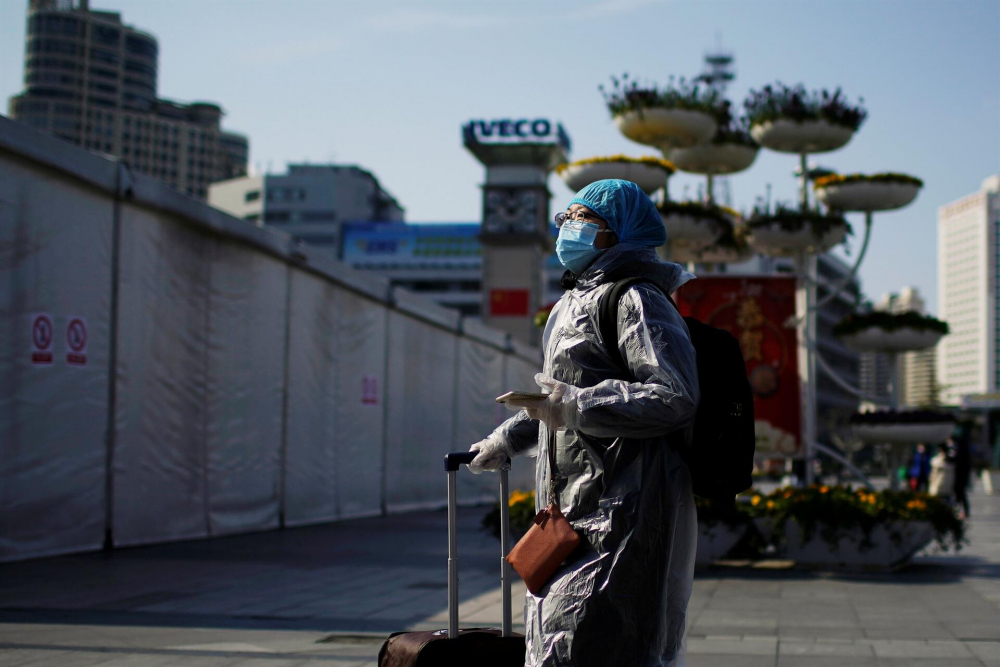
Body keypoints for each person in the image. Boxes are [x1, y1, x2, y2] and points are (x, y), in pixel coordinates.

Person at [467, 179, 700, 667]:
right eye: (564, 219)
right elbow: (555, 400)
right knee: (556, 642)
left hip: (622, 512)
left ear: (616, 233)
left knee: (602, 645)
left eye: (580, 219)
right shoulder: (570, 306)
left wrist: (578, 405)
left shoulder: (637, 299)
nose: (566, 228)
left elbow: (673, 395)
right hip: (566, 513)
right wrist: (506, 439)